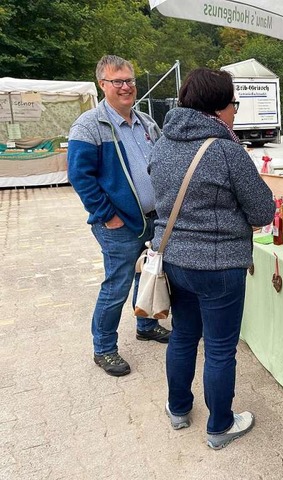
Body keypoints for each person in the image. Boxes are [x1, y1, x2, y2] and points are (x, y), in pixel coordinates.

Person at [148, 68, 274, 450]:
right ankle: (219, 426)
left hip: (173, 260)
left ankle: (178, 409)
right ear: (219, 107)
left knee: (184, 337)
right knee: (220, 348)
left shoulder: (163, 143)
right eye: (233, 104)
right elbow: (263, 211)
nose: (235, 112)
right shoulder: (225, 150)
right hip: (219, 266)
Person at [68, 55, 171, 377]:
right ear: (103, 84)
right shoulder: (89, 125)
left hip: (152, 218)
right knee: (117, 285)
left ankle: (146, 325)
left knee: (147, 275)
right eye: (118, 81)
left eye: (130, 80)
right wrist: (106, 215)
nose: (126, 87)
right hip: (119, 224)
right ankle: (104, 348)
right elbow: (80, 176)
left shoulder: (146, 122)